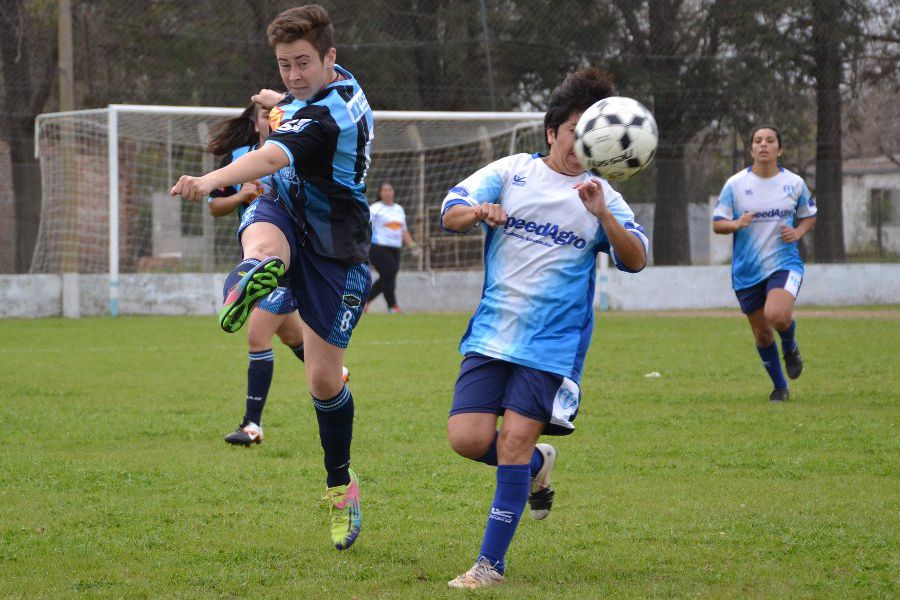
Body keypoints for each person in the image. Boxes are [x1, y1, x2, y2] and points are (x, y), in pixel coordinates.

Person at [171, 4, 373, 551]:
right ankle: (257, 269)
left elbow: (270, 156)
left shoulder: (336, 112)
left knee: (324, 382)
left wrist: (208, 179)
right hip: (287, 211)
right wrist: (277, 97)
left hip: (337, 245)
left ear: (330, 57)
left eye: (303, 63)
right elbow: (288, 114)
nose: (294, 75)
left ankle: (341, 486)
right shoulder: (311, 94)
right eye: (285, 64)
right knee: (264, 232)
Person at [439, 68, 649, 589]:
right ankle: (536, 465)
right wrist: (477, 212)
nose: (582, 144)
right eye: (575, 130)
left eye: (593, 135)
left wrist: (604, 217)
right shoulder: (513, 172)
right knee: (466, 439)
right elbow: (451, 210)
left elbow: (637, 259)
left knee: (509, 441)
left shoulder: (601, 194)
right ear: (552, 130)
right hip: (492, 333)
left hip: (551, 346)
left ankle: (490, 565)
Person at [205, 103, 348, 447]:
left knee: (257, 335)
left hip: (288, 260)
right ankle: (336, 373)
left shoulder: (301, 154)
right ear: (256, 123)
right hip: (256, 254)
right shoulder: (241, 158)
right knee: (290, 335)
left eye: (275, 111)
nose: (271, 118)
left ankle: (252, 425)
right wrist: (243, 193)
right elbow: (214, 206)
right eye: (264, 113)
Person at [713, 125, 817, 402]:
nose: (763, 145)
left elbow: (809, 215)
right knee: (761, 333)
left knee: (777, 315)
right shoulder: (735, 185)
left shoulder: (794, 183)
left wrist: (799, 232)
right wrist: (736, 223)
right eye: (758, 141)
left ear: (779, 149)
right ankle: (780, 387)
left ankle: (790, 345)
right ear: (751, 149)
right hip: (747, 271)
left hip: (785, 262)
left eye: (770, 140)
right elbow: (718, 224)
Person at [367, 181, 419, 313]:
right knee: (389, 274)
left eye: (390, 190)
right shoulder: (375, 208)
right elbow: (366, 227)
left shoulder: (399, 209)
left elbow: (404, 230)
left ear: (393, 192)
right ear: (380, 193)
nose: (387, 192)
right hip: (378, 247)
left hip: (395, 248)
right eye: (384, 190)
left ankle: (365, 302)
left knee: (388, 277)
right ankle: (393, 306)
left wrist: (412, 246)